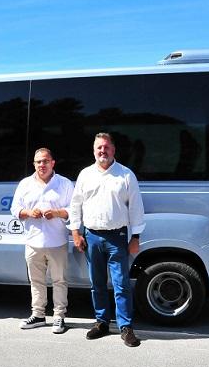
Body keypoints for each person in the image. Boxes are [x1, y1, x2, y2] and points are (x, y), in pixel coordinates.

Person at [69, 132, 145, 347]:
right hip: (91, 236)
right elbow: (75, 205)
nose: (103, 151)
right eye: (99, 148)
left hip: (117, 237)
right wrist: (76, 232)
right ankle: (101, 322)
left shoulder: (125, 175)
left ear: (113, 150)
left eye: (106, 147)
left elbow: (136, 207)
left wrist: (136, 237)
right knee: (97, 284)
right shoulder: (85, 174)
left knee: (121, 284)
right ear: (94, 151)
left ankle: (126, 327)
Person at [11, 148, 74, 334]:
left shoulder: (64, 183)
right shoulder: (25, 184)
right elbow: (15, 209)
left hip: (57, 242)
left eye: (45, 161)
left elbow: (74, 209)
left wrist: (56, 213)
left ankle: (59, 317)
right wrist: (29, 213)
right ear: (34, 164)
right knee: (36, 281)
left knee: (59, 280)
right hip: (33, 241)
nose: (42, 165)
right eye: (38, 162)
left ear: (53, 163)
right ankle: (38, 315)